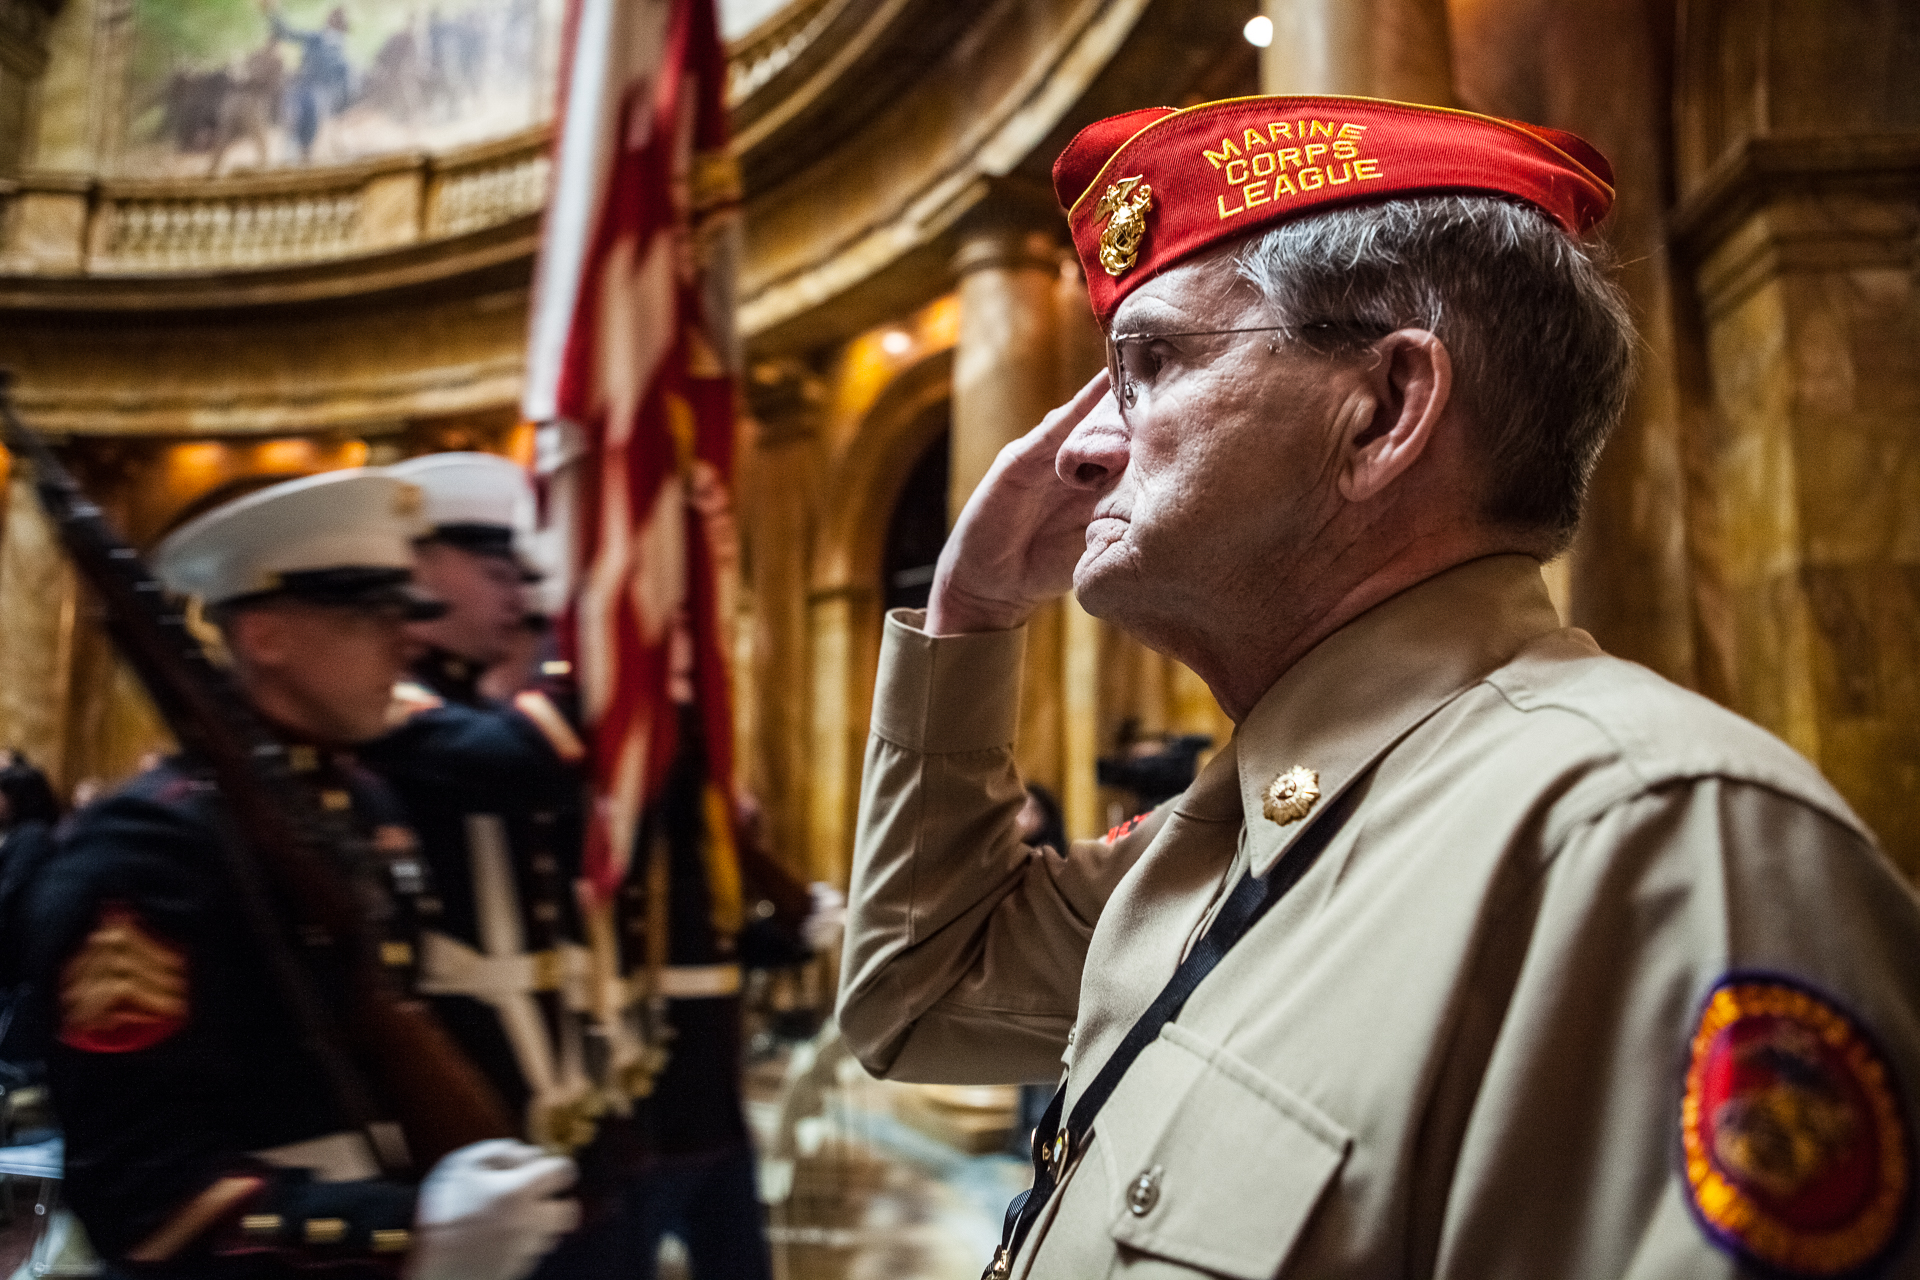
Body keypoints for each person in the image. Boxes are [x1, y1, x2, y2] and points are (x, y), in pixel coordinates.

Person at [836, 95, 1920, 1280]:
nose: (1085, 450)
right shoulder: (1241, 822)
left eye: (1152, 362)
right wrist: (970, 614)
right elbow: (917, 992)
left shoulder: (1654, 836)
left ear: (1387, 409)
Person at [18, 469, 577, 1279]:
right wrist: (400, 1229)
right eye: (369, 617)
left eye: (404, 615)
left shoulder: (368, 801)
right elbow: (143, 1192)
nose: (407, 640)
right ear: (267, 639)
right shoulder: (147, 850)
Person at [359, 452, 598, 1151]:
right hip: (467, 1063)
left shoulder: (461, 701)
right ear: (422, 567)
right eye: (499, 576)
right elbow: (527, 763)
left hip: (548, 1058)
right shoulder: (394, 702)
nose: (519, 600)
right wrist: (591, 638)